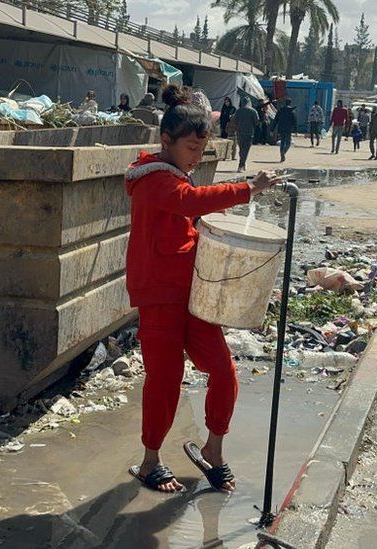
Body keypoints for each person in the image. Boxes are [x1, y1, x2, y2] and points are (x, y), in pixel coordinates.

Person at [123, 84, 281, 493]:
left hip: (192, 294)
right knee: (165, 377)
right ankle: (150, 460)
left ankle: (214, 447)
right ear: (166, 141)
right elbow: (189, 201)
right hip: (159, 294)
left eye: (201, 150)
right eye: (191, 149)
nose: (196, 158)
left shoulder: (175, 175)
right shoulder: (153, 178)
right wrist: (249, 188)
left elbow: (191, 212)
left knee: (224, 371)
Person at [233, 97, 259, 172]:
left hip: (240, 132)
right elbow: (257, 122)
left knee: (241, 149)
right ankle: (241, 165)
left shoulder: (239, 111)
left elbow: (234, 121)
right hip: (249, 132)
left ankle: (242, 163)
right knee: (246, 149)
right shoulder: (253, 111)